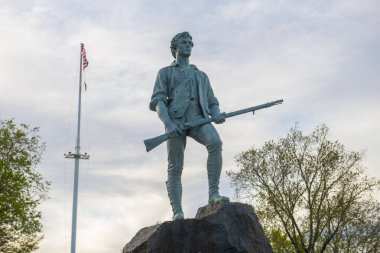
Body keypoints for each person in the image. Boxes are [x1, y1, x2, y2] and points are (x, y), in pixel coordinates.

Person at [149, 32, 229, 220]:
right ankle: (177, 211)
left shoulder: (201, 75)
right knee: (175, 167)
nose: (188, 45)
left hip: (198, 119)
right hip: (175, 122)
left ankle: (213, 194)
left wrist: (216, 113)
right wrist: (168, 124)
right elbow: (159, 102)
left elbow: (211, 100)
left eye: (190, 42)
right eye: (183, 42)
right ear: (174, 48)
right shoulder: (165, 73)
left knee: (215, 143)